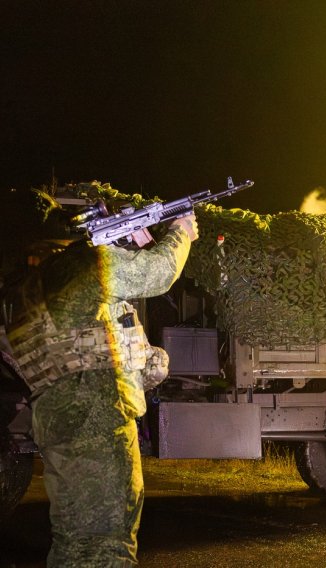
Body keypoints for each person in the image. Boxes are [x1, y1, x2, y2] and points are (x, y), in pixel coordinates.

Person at [0, 187, 198, 566]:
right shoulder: (79, 264)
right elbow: (156, 274)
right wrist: (180, 233)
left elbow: (83, 342)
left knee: (77, 542)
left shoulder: (22, 287)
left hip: (63, 418)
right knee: (103, 544)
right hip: (95, 417)